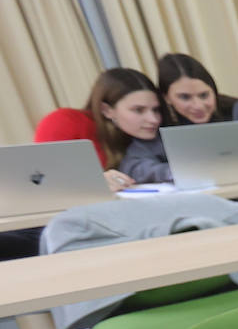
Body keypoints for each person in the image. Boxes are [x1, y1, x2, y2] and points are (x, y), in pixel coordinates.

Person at [2, 68, 162, 260]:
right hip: (49, 222)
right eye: (138, 110)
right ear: (107, 110)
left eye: (156, 110)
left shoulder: (139, 138)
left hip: (102, 224)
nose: (153, 119)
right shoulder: (67, 121)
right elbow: (38, 180)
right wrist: (91, 182)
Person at [119, 52, 238, 184]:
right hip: (200, 203)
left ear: (214, 91)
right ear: (167, 98)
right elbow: (133, 165)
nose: (198, 106)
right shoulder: (159, 123)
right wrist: (175, 172)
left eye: (204, 95)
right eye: (185, 97)